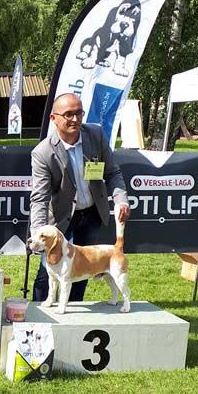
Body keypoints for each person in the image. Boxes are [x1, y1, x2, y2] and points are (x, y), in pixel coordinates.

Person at [29, 92, 130, 302]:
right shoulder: (43, 153)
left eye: (79, 113)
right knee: (46, 271)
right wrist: (39, 233)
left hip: (92, 213)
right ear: (54, 118)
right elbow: (39, 198)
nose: (75, 119)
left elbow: (112, 172)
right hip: (60, 218)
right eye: (68, 114)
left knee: (84, 270)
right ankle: (40, 315)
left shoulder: (96, 135)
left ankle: (74, 313)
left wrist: (121, 200)